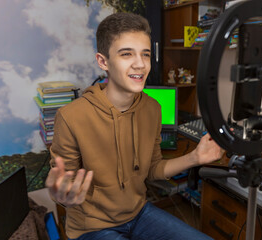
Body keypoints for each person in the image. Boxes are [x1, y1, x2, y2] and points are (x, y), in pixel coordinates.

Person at [45, 12, 223, 240]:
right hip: (92, 227)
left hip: (139, 213)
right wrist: (62, 195)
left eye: (145, 54)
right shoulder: (70, 116)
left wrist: (195, 158)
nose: (140, 64)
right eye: (126, 54)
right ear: (103, 61)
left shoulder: (153, 108)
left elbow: (153, 169)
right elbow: (65, 184)